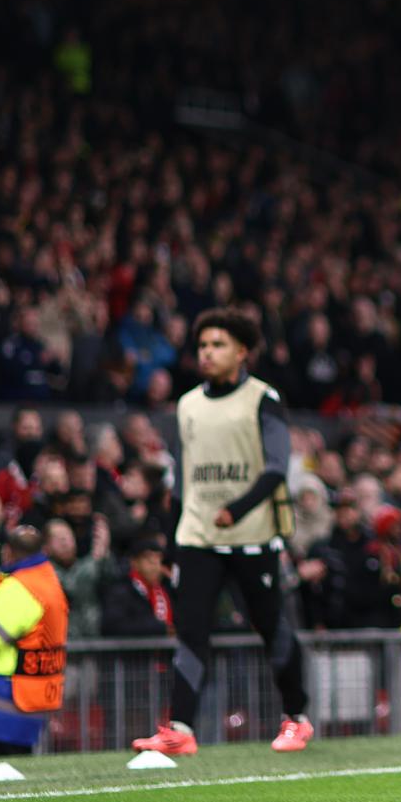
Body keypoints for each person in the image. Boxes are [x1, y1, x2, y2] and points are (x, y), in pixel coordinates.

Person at [132, 307, 312, 756]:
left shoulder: (262, 398)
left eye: (218, 345)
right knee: (190, 632)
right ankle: (181, 728)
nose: (208, 353)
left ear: (242, 352)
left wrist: (238, 509)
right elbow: (183, 481)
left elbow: (276, 468)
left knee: (272, 628)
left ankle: (297, 718)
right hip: (199, 537)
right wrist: (173, 545)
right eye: (203, 346)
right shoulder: (188, 404)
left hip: (252, 535)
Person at [0, 526, 68, 755]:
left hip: (4, 702)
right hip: (32, 699)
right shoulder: (48, 580)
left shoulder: (18, 589)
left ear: (8, 551)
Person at [101, 534, 175, 637]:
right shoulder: (121, 591)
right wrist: (159, 629)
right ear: (134, 562)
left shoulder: (168, 590)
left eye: (158, 558)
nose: (154, 564)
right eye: (148, 558)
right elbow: (113, 626)